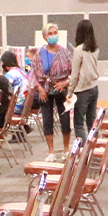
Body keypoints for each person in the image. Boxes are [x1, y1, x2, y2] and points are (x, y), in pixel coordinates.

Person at [36, 23, 73, 154]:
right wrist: (39, 88)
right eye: (50, 34)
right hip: (45, 90)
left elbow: (74, 72)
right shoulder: (39, 53)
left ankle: (66, 149)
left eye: (55, 33)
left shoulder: (65, 52)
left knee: (65, 119)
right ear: (45, 37)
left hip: (61, 89)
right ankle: (51, 152)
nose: (53, 36)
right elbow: (33, 73)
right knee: (47, 120)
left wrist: (65, 83)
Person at [70, 18, 101, 138]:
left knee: (78, 123)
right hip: (94, 87)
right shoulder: (95, 49)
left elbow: (74, 74)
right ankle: (93, 145)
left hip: (82, 90)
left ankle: (82, 147)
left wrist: (70, 91)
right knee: (91, 122)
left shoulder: (78, 50)